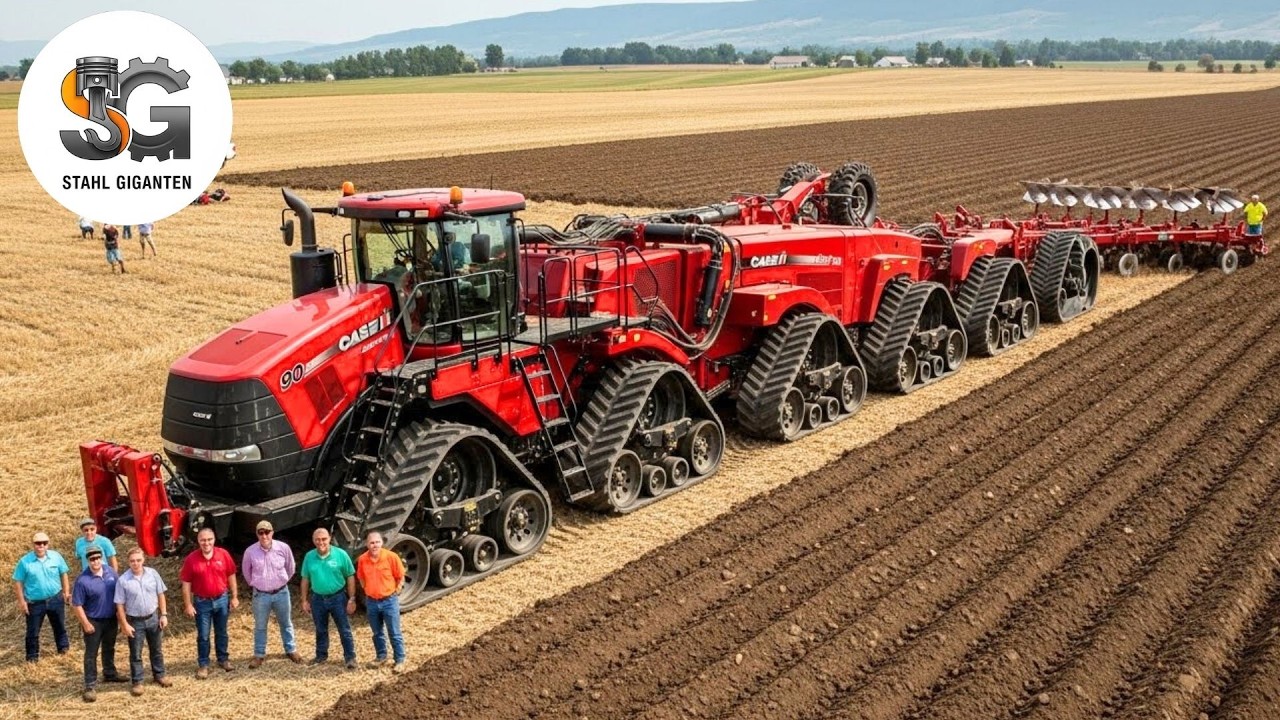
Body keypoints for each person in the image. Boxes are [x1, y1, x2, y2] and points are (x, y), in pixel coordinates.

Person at [242, 520, 302, 668]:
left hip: (281, 593)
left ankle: (291, 649)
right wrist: (256, 584)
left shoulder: (283, 548)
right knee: (260, 626)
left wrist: (281, 581)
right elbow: (246, 572)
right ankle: (259, 655)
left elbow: (291, 567)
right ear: (257, 534)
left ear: (272, 532)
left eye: (267, 532)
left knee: (286, 623)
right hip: (261, 595)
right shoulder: (250, 552)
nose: (264, 536)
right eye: (260, 533)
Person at [180, 528, 239, 679]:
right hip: (202, 602)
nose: (206, 543)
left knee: (222, 632)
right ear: (198, 541)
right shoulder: (191, 559)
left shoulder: (223, 554)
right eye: (203, 540)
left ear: (214, 540)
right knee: (203, 635)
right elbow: (186, 583)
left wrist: (234, 597)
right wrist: (188, 604)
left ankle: (223, 659)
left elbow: (231, 575)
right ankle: (203, 664)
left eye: (209, 539)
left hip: (221, 599)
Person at [113, 547, 170, 696]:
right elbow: (119, 604)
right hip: (135, 621)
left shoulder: (153, 574)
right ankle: (137, 681)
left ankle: (159, 675)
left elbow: (161, 594)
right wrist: (124, 624)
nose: (136, 563)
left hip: (153, 618)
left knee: (156, 650)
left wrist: (163, 614)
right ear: (128, 562)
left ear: (143, 560)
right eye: (132, 561)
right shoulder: (123, 580)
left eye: (138, 560)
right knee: (136, 653)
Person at [72, 547, 125, 702]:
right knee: (91, 653)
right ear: (88, 561)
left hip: (110, 619)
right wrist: (85, 623)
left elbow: (120, 595)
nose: (95, 561)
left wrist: (122, 619)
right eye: (92, 559)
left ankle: (109, 673)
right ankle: (90, 684)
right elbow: (77, 605)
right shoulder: (82, 580)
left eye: (97, 558)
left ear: (101, 558)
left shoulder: (111, 573)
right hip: (93, 621)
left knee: (109, 647)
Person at [300, 527, 357, 670]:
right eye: (317, 540)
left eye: (324, 539)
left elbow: (350, 576)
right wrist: (304, 600)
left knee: (344, 629)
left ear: (330, 538)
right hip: (318, 599)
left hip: (338, 597)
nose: (321, 542)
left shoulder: (341, 555)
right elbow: (305, 579)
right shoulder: (309, 557)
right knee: (320, 629)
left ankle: (350, 658)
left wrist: (351, 599)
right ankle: (321, 656)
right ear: (313, 541)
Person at [12, 531, 71, 662]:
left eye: (44, 543)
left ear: (48, 544)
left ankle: (64, 650)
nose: (41, 546)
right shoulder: (24, 562)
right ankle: (32, 657)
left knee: (60, 626)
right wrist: (22, 602)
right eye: (38, 543)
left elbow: (64, 574)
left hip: (55, 598)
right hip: (35, 602)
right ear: (33, 544)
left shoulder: (56, 557)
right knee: (33, 632)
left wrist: (66, 592)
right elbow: (18, 582)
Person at [355, 531, 407, 673]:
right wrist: (367, 589)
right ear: (367, 544)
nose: (374, 545)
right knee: (377, 632)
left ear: (381, 543)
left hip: (389, 600)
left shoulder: (391, 557)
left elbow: (400, 575)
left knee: (394, 632)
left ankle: (400, 659)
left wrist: (397, 588)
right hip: (372, 601)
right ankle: (381, 656)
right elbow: (360, 577)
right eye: (371, 543)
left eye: (377, 542)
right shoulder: (362, 560)